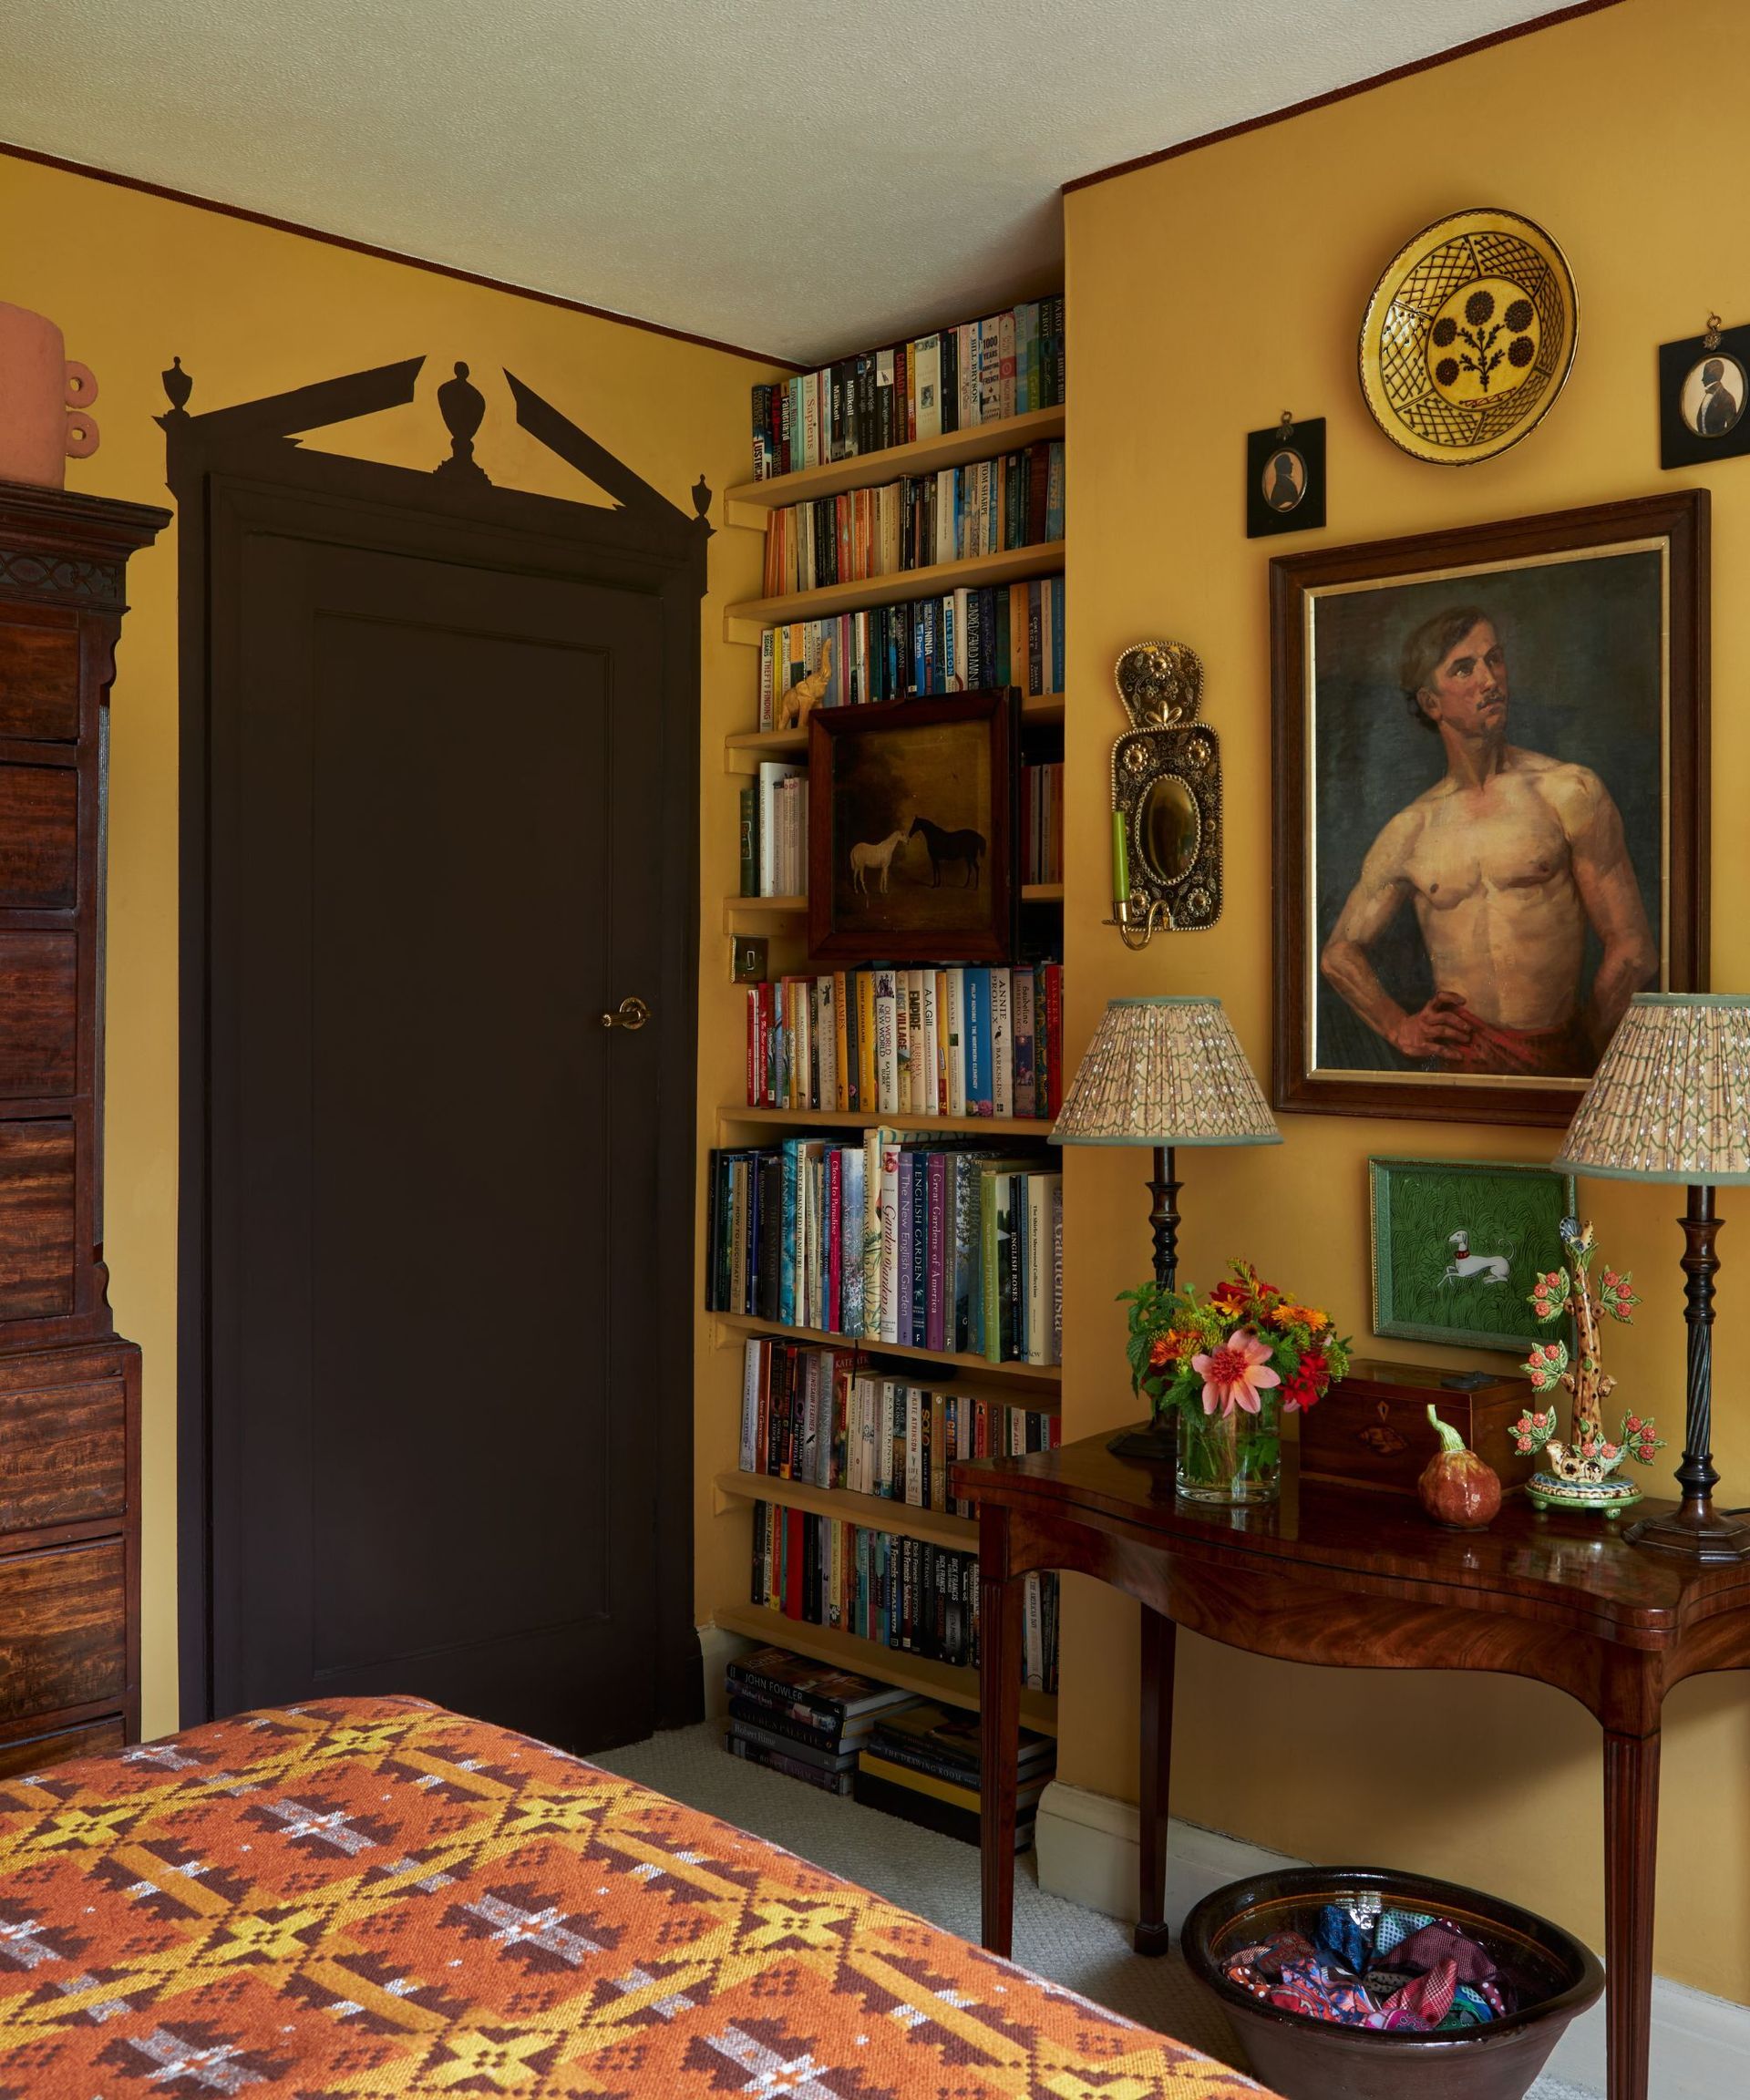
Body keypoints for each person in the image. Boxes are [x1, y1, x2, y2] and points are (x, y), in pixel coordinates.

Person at [1320, 607, 1657, 1077]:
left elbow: (1633, 949)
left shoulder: (1569, 792)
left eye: (1494, 659)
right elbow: (1339, 954)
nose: (1489, 679)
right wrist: (1399, 1026)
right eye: (1464, 668)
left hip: (1561, 1057)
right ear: (1432, 703)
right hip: (1458, 1070)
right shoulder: (1411, 829)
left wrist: (1586, 1051)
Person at [1693, 355, 1742, 438]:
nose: (1702, 379)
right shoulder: (1708, 395)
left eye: (1705, 375)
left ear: (1713, 376)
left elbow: (1733, 430)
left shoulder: (1727, 398)